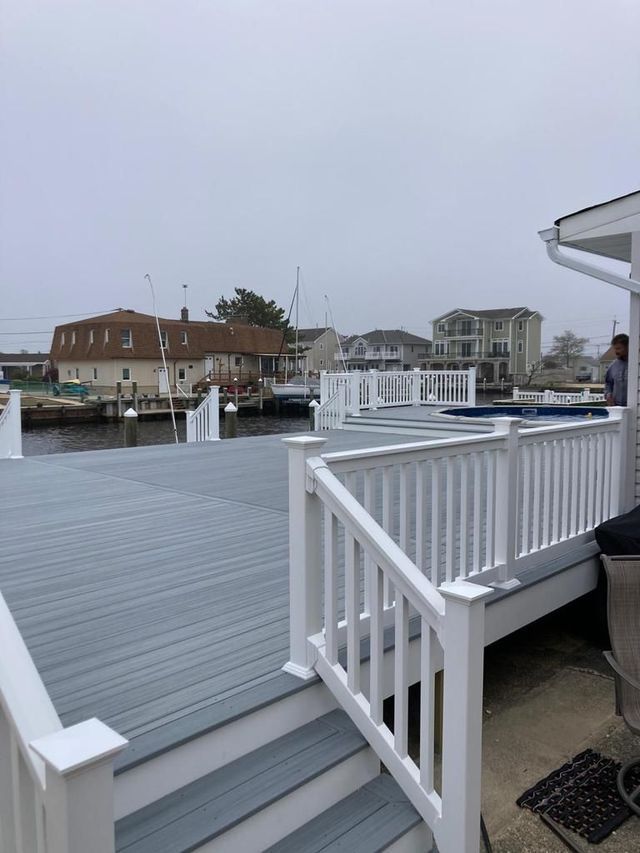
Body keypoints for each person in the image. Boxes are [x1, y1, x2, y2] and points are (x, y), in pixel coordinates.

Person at [604, 333, 629, 406]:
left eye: (618, 348)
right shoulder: (612, 366)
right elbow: (608, 384)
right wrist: (608, 395)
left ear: (628, 347)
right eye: (614, 348)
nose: (616, 351)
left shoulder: (636, 364)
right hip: (616, 407)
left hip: (635, 407)